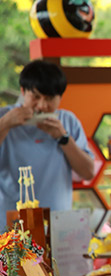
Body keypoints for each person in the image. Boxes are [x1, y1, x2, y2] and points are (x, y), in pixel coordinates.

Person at [0, 60, 93, 224]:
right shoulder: (4, 117)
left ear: (60, 97)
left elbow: (88, 172)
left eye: (49, 98)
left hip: (58, 223)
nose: (42, 106)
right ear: (22, 91)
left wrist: (63, 138)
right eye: (35, 97)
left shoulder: (68, 121)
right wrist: (5, 125)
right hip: (10, 225)